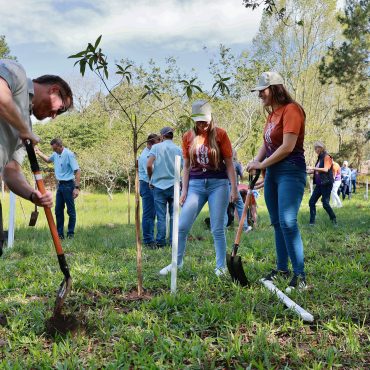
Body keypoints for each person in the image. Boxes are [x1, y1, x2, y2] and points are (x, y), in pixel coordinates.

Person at [0, 59, 73, 255]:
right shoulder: (17, 74)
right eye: (61, 108)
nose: (55, 116)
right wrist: (23, 129)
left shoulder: (27, 130)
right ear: (54, 90)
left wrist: (34, 195)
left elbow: (11, 171)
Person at [159, 100, 238, 276]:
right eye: (199, 121)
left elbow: (230, 164)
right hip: (195, 185)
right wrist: (184, 191)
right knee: (182, 225)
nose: (202, 125)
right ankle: (176, 263)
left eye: (205, 121)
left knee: (217, 228)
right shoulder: (188, 137)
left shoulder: (221, 135)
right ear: (194, 120)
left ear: (211, 118)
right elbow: (185, 167)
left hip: (219, 184)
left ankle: (220, 267)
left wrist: (234, 188)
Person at [246, 71, 307, 293]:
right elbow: (267, 144)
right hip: (272, 173)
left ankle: (300, 276)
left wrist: (262, 165)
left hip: (291, 170)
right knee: (276, 223)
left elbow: (287, 146)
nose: (259, 95)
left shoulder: (292, 110)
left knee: (288, 221)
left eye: (262, 90)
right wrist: (256, 161)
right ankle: (282, 269)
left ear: (275, 88)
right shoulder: (271, 116)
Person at [35, 139, 80, 239]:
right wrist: (38, 152)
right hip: (60, 186)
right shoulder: (55, 154)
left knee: (70, 211)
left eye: (55, 149)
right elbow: (48, 160)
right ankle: (60, 235)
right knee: (58, 210)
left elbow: (77, 171)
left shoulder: (69, 154)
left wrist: (76, 188)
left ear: (60, 146)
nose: (54, 151)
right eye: (53, 149)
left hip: (69, 185)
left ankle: (70, 234)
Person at [147, 127, 182, 248]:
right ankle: (173, 242)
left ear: (162, 136)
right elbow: (182, 166)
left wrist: (151, 178)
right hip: (174, 185)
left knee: (161, 216)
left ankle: (161, 242)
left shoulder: (156, 148)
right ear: (172, 136)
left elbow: (149, 165)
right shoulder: (178, 149)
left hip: (158, 185)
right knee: (174, 216)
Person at [138, 133, 160, 249]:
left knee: (153, 213)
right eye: (157, 144)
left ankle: (151, 238)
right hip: (147, 185)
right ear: (150, 144)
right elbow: (150, 172)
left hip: (150, 184)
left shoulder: (151, 153)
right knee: (148, 214)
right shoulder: (146, 156)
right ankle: (148, 240)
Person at [307, 142, 337, 226]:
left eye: (317, 148)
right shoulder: (319, 158)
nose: (316, 150)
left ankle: (333, 219)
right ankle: (312, 222)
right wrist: (308, 171)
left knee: (325, 203)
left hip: (326, 183)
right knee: (312, 202)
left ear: (322, 148)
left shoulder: (327, 157)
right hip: (319, 184)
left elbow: (326, 169)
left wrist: (313, 167)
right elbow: (317, 170)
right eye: (315, 148)